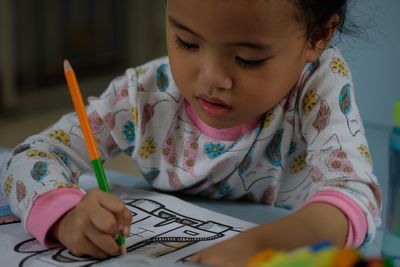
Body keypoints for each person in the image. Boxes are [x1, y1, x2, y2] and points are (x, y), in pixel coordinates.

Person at [0, 1, 382, 267]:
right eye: (187, 42)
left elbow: (355, 196)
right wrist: (64, 215)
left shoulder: (316, 86)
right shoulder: (144, 96)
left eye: (248, 59)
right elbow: (33, 155)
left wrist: (264, 246)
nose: (212, 78)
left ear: (318, 36)